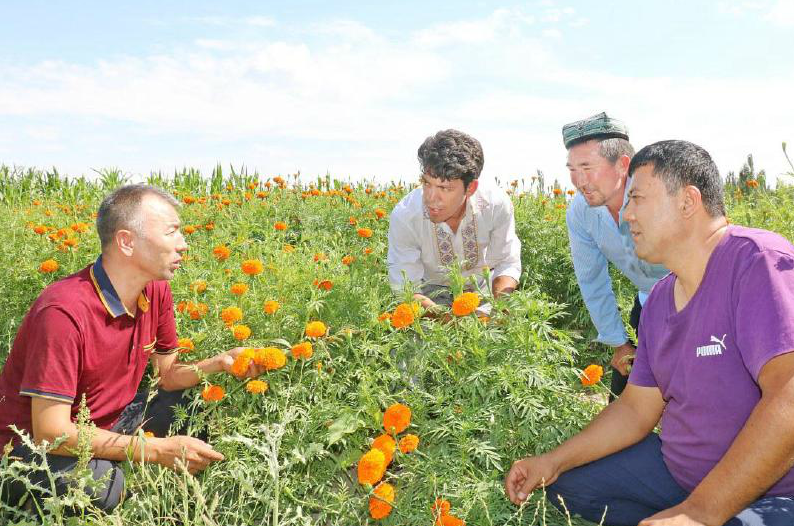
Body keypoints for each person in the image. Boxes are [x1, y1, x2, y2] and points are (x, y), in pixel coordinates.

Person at [505, 140, 794, 526]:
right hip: (678, 475)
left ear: (688, 201)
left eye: (637, 198)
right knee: (562, 488)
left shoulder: (757, 263)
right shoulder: (659, 299)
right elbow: (636, 409)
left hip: (770, 490)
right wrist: (552, 461)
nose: (626, 216)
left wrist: (700, 512)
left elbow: (788, 393)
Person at [0, 184, 263, 511]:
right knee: (104, 484)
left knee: (186, 406)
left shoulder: (155, 291)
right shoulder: (63, 312)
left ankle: (177, 503)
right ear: (126, 241)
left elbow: (166, 377)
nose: (184, 244)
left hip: (106, 421)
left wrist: (220, 362)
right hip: (28, 451)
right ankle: (30, 506)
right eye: (172, 232)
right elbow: (50, 432)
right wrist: (155, 450)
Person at [563, 112, 669, 397]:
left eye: (587, 167)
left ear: (623, 165)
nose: (579, 180)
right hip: (649, 301)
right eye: (572, 169)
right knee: (624, 402)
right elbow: (592, 280)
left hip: (698, 298)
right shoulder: (581, 212)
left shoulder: (659, 196)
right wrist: (618, 342)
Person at [387, 129, 521, 314]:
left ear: (471, 188)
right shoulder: (406, 215)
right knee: (421, 339)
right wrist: (447, 320)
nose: (431, 198)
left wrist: (496, 310)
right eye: (426, 183)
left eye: (445, 188)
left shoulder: (495, 205)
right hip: (430, 294)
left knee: (514, 327)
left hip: (482, 291)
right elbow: (406, 288)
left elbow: (507, 262)